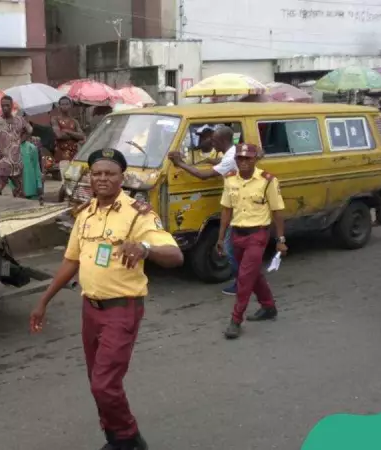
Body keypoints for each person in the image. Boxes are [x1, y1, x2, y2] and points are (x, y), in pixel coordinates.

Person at [29, 149, 183, 450]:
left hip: (121, 310)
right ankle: (115, 437)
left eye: (109, 173)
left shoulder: (138, 214)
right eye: (97, 173)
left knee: (104, 384)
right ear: (90, 177)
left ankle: (129, 439)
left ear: (121, 178)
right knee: (97, 382)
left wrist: (146, 249)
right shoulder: (85, 214)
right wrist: (43, 301)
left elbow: (175, 255)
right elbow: (71, 261)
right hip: (90, 310)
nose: (102, 179)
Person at [167, 126, 253, 295]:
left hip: (239, 205)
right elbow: (219, 163)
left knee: (229, 248)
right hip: (236, 203)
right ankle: (246, 280)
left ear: (222, 141)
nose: (211, 143)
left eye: (214, 140)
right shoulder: (231, 153)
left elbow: (203, 176)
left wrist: (180, 163)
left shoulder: (230, 158)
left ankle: (242, 283)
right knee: (235, 245)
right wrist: (205, 161)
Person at [215, 144, 288, 340]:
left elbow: (277, 211)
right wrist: (221, 238)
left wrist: (281, 239)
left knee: (245, 278)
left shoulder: (267, 181)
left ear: (255, 159)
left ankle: (235, 320)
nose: (243, 162)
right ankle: (268, 307)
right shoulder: (230, 179)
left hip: (258, 235)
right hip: (237, 234)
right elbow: (226, 210)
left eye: (248, 158)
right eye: (240, 158)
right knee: (252, 274)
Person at [0, 95, 33, 197]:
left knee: (20, 193)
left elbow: (29, 130)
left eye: (7, 105)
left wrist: (20, 141)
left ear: (12, 106)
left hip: (17, 164)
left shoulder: (20, 120)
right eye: (3, 105)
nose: (5, 108)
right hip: (2, 164)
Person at [52, 96, 86, 177]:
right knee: (64, 177)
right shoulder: (55, 119)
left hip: (74, 154)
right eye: (63, 104)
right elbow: (59, 135)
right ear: (59, 106)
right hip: (61, 153)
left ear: (70, 105)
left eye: (67, 104)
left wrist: (68, 131)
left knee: (74, 177)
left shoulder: (75, 121)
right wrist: (75, 136)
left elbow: (82, 136)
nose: (65, 106)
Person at [10, 136, 44, 201]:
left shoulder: (32, 148)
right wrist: (12, 186)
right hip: (18, 189)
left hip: (31, 189)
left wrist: (39, 185)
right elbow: (10, 169)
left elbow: (36, 167)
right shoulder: (11, 149)